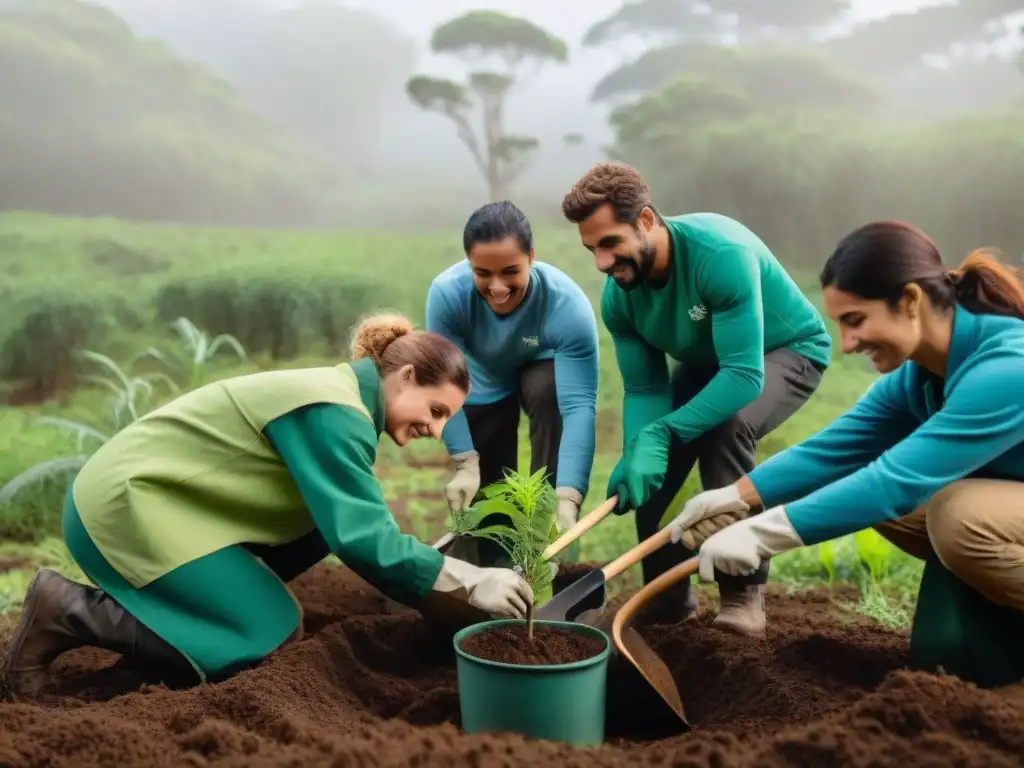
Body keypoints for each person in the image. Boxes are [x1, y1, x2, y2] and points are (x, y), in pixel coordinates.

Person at [2, 313, 534, 698]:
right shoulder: (336, 411)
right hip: (127, 505)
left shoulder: (343, 400)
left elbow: (345, 524)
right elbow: (363, 537)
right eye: (436, 410)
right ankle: (66, 611)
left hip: (169, 504)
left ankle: (186, 625)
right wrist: (467, 579)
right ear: (407, 377)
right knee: (268, 631)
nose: (434, 431)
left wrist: (430, 573)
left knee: (317, 526)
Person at [669, 221, 1024, 688]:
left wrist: (762, 535)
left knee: (960, 519)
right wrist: (734, 497)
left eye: (856, 320)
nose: (847, 344)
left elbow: (895, 481)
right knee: (886, 504)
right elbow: (834, 451)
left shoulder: (1007, 367)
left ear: (911, 301)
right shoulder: (919, 375)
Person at [560, 162, 831, 634]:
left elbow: (745, 376)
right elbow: (645, 387)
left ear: (646, 221)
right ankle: (666, 601)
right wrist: (640, 448)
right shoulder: (619, 296)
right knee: (651, 466)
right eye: (591, 249)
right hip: (710, 361)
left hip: (782, 351)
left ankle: (742, 593)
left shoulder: (718, 255)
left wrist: (664, 430)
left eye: (610, 244)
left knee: (726, 427)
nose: (602, 263)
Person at [427, 201, 600, 565]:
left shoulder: (566, 306)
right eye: (482, 273)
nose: (498, 287)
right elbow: (444, 384)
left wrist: (570, 497)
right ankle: (495, 563)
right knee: (489, 471)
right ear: (467, 264)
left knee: (549, 390)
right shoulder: (447, 294)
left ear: (532, 257)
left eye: (510, 271)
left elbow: (578, 406)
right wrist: (464, 462)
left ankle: (546, 541)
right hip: (480, 377)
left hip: (542, 365)